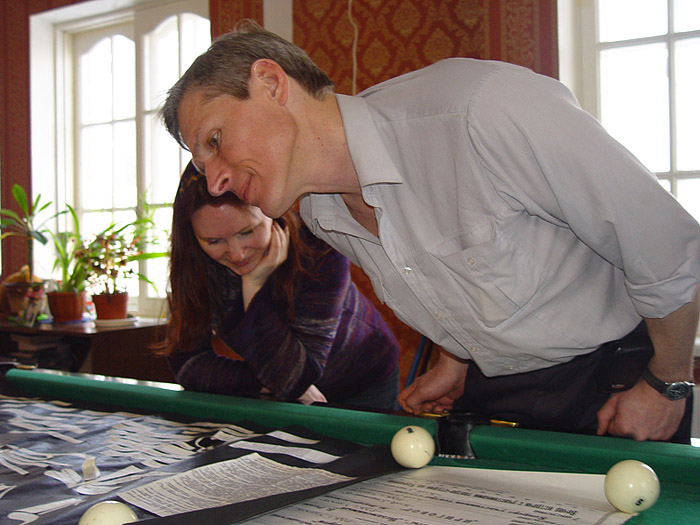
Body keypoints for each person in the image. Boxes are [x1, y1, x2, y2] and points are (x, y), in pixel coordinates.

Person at [160, 21, 700, 442]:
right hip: (496, 396)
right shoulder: (323, 213)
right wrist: (456, 357)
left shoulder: (480, 110)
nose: (216, 179)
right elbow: (450, 270)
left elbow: (669, 249)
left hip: (620, 380)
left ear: (271, 82)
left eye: (215, 140)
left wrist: (667, 383)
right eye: (202, 162)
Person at [157, 162, 401, 410]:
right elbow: (187, 365)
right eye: (214, 241)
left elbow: (298, 376)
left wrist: (253, 288)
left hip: (363, 380)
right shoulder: (194, 266)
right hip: (282, 384)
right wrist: (264, 382)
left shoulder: (318, 245)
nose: (237, 254)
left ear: (271, 211)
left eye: (247, 232)